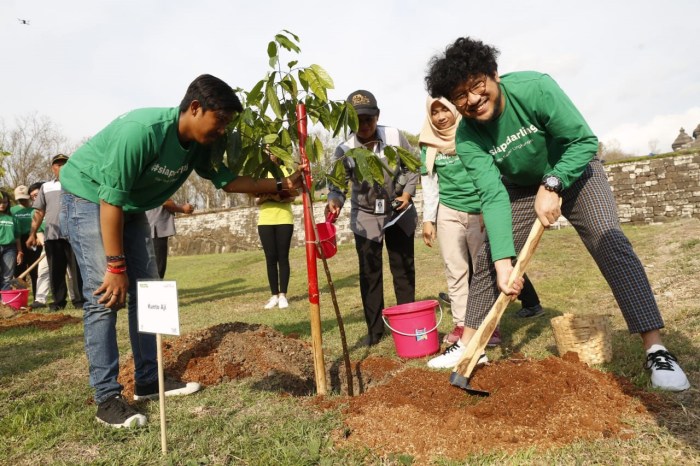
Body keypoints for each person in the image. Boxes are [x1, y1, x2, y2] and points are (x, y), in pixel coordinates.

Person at [423, 37, 690, 392]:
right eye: (460, 95)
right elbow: (491, 193)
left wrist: (553, 183)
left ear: (494, 75)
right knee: (490, 257)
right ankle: (471, 346)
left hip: (576, 170)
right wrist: (504, 261)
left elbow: (583, 140)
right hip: (519, 187)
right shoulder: (469, 137)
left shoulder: (535, 88)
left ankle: (656, 349)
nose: (472, 99)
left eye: (476, 85)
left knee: (608, 240)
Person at [58, 74, 304, 429]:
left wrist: (280, 185)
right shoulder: (142, 131)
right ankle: (107, 398)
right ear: (194, 107)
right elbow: (110, 199)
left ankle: (148, 380)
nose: (222, 130)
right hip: (88, 196)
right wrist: (115, 264)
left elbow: (229, 181)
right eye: (220, 120)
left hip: (129, 205)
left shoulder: (200, 145)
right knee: (105, 295)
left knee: (147, 289)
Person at [419, 97, 543, 346]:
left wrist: (490, 212)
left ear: (455, 109)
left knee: (484, 271)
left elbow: (492, 173)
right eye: (435, 112)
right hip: (449, 211)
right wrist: (428, 219)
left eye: (445, 109)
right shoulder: (428, 144)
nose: (441, 116)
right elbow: (430, 183)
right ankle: (461, 324)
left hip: (479, 210)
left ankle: (489, 325)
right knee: (454, 269)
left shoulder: (471, 133)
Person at [326, 90, 419, 346]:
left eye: (368, 118)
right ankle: (375, 331)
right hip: (366, 216)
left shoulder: (394, 136)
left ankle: (406, 321)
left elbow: (412, 165)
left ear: (377, 117)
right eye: (357, 121)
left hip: (398, 210)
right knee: (370, 273)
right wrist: (334, 200)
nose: (364, 125)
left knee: (403, 268)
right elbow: (337, 185)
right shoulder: (344, 150)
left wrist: (408, 194)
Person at [27, 154, 86, 311]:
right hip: (53, 236)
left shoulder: (79, 183)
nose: (61, 167)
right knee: (55, 271)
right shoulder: (46, 187)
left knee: (77, 270)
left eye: (64, 164)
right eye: (58, 165)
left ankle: (79, 301)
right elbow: (39, 212)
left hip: (74, 234)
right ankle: (58, 302)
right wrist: (32, 233)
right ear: (53, 168)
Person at [257, 155, 298, 309]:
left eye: (273, 150)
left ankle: (283, 295)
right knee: (270, 258)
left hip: (284, 219)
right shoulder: (261, 172)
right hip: (265, 221)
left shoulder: (287, 170)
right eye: (267, 150)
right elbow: (255, 199)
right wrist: (265, 197)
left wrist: (278, 198)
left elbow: (293, 196)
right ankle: (274, 295)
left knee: (283, 257)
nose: (270, 154)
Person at [145, 199, 194, 279]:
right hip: (156, 229)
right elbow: (164, 201)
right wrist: (183, 208)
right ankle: (155, 290)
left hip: (150, 227)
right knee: (158, 267)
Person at [11, 185, 43, 299]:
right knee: (19, 271)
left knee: (35, 271)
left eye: (24, 198)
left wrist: (38, 237)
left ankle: (37, 298)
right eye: (20, 199)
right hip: (18, 242)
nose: (22, 200)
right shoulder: (12, 210)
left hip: (34, 241)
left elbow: (39, 225)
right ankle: (20, 298)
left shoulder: (35, 209)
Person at [27, 182, 49, 309]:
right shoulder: (34, 213)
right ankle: (40, 299)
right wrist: (45, 242)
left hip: (65, 241)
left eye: (37, 195)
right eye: (32, 196)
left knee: (71, 273)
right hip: (48, 243)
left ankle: (77, 298)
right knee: (42, 270)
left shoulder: (55, 205)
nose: (35, 198)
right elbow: (39, 230)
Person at [0, 191, 21, 290]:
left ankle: (4, 300)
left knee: (7, 275)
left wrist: (20, 251)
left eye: (4, 202)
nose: (2, 205)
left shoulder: (12, 217)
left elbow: (17, 236)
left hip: (10, 249)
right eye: (0, 202)